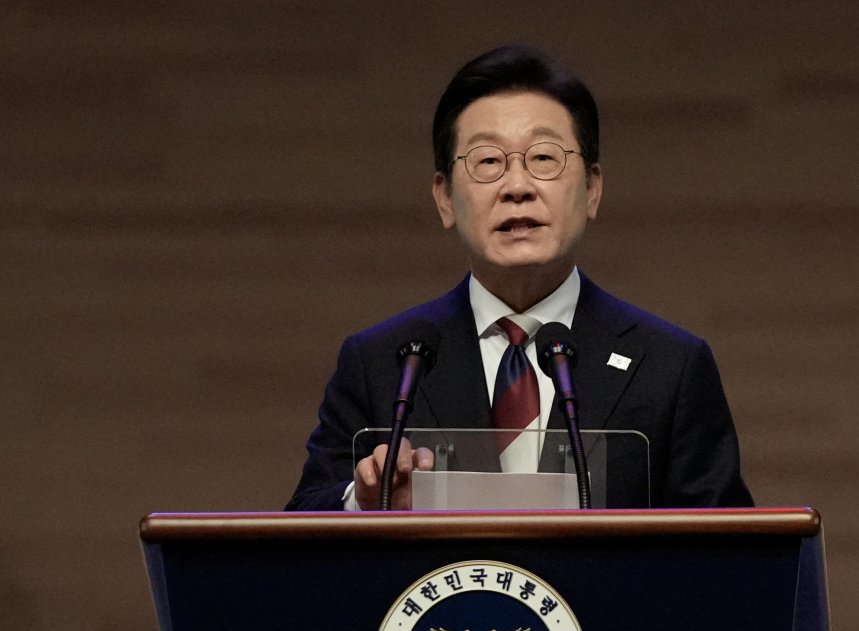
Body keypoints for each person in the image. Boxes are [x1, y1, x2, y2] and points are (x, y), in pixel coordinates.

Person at [286, 45, 752, 511]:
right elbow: (301, 521)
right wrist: (365, 500)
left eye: (544, 158)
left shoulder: (670, 367)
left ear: (592, 189)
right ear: (444, 198)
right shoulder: (383, 363)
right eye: (488, 161)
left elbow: (730, 546)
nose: (517, 187)